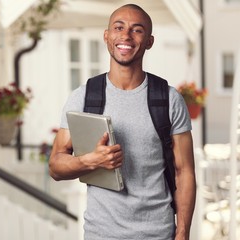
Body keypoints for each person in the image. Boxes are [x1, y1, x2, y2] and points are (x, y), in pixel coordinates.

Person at [48, 4, 196, 240]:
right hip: (101, 233)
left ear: (149, 41)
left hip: (158, 233)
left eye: (137, 30)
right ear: (107, 36)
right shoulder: (84, 97)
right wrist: (90, 161)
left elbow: (184, 171)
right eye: (119, 27)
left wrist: (182, 232)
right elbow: (56, 166)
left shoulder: (168, 99)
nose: (126, 35)